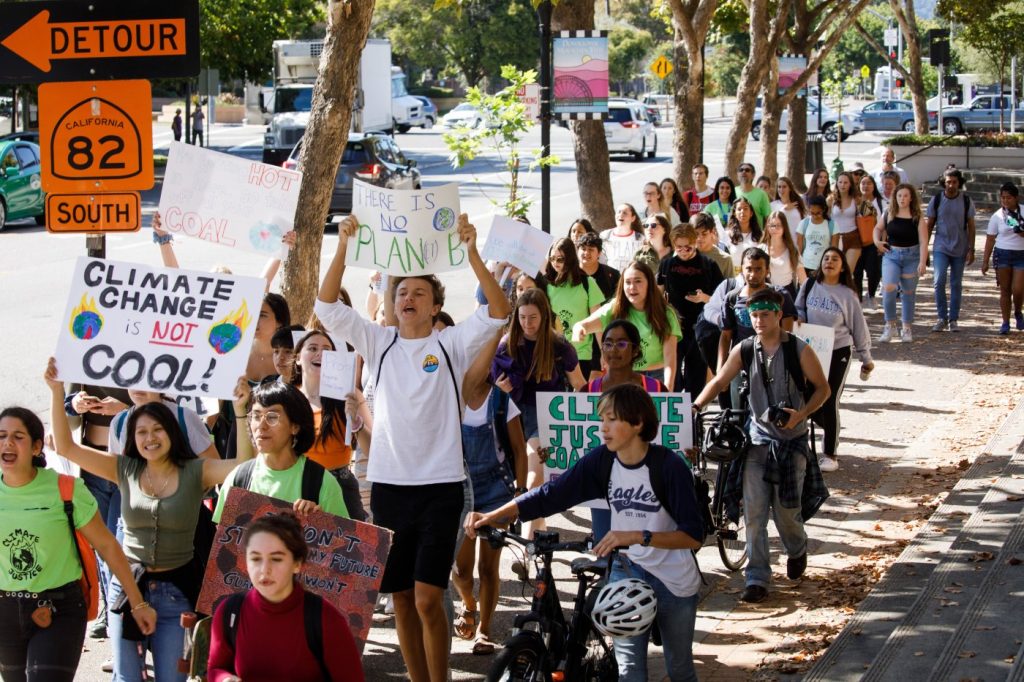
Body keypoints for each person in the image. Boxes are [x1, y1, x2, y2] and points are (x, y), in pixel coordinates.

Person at [313, 213, 509, 682]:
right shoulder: (377, 342)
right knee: (400, 596)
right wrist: (342, 245)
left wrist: (473, 252)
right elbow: (326, 306)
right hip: (389, 489)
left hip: (442, 488)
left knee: (427, 597)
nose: (408, 297)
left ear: (435, 305)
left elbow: (499, 311)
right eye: (401, 291)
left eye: (419, 292)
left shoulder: (451, 344)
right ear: (390, 302)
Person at [466, 383, 705, 682]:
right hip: (627, 574)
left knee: (679, 669)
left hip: (674, 582)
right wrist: (494, 515)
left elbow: (694, 536)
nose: (603, 427)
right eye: (601, 419)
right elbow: (550, 494)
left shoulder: (669, 466)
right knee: (630, 671)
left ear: (638, 423)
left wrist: (637, 536)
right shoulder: (603, 459)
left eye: (612, 419)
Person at [45, 361, 250, 682]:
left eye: (157, 430)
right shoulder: (123, 470)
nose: (149, 438)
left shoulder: (195, 473)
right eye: (141, 431)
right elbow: (67, 446)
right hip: (128, 591)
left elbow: (241, 465)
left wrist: (240, 411)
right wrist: (57, 391)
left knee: (172, 678)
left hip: (175, 596)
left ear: (172, 433)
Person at [693, 288, 831, 603]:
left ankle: (797, 549)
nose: (758, 320)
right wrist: (695, 407)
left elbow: (823, 388)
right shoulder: (744, 349)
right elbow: (719, 381)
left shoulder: (799, 350)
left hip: (791, 444)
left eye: (764, 314)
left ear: (778, 315)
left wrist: (802, 415)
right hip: (756, 442)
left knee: (786, 513)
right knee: (754, 513)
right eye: (753, 315)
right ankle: (757, 578)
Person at [0, 407, 156, 682]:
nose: (7, 443)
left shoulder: (67, 489)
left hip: (59, 609)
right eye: (1, 436)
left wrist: (137, 602)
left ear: (37, 446)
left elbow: (108, 547)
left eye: (18, 436)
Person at [207, 513, 363, 682]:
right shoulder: (230, 611)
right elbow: (215, 668)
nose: (264, 569)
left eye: (276, 559)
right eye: (256, 558)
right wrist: (224, 679)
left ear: (297, 564)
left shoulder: (326, 619)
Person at [451, 335, 526, 656]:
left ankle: (484, 631)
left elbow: (520, 451)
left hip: (497, 490)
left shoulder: (501, 401)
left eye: (483, 360)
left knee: (488, 568)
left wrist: (521, 495)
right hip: (460, 489)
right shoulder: (450, 399)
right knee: (460, 570)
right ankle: (468, 604)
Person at [493, 288, 585, 537]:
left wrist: (578, 415)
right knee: (518, 481)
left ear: (544, 316)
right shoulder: (506, 343)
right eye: (522, 317)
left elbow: (579, 384)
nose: (527, 323)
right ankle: (537, 533)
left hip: (545, 415)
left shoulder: (559, 345)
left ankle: (529, 551)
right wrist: (498, 389)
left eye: (532, 317)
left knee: (534, 479)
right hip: (511, 416)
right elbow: (487, 385)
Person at [583, 321, 668, 543]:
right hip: (603, 488)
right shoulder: (588, 391)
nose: (613, 350)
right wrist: (552, 454)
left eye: (621, 343)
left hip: (647, 486)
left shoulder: (657, 390)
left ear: (636, 350)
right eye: (608, 343)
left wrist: (686, 450)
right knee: (606, 551)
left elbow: (672, 435)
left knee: (646, 548)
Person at [795, 248, 874, 473]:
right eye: (826, 258)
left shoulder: (847, 294)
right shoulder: (810, 285)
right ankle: (828, 429)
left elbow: (858, 327)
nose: (829, 262)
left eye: (835, 259)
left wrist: (865, 357)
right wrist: (799, 316)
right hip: (811, 349)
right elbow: (799, 307)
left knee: (829, 399)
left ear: (842, 266)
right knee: (808, 397)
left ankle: (830, 452)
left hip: (838, 350)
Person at [290, 330, 367, 521]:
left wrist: (356, 422)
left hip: (340, 488)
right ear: (298, 357)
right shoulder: (287, 399)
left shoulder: (350, 394)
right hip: (297, 487)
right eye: (313, 348)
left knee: (349, 549)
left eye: (327, 350)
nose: (320, 354)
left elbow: (371, 449)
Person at [574, 261, 682, 391]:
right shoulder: (614, 308)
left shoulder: (666, 313)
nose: (632, 287)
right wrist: (579, 330)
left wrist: (668, 388)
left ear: (649, 284)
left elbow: (670, 357)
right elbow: (583, 325)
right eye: (628, 282)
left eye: (638, 281)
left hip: (656, 376)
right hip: (623, 375)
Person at [658, 223, 724, 396]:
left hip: (700, 324)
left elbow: (721, 299)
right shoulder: (666, 265)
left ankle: (694, 412)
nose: (683, 251)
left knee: (696, 374)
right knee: (673, 373)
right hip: (674, 325)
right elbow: (658, 294)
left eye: (687, 247)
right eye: (679, 247)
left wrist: (704, 298)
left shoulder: (708, 264)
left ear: (695, 243)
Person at [876, 183, 929, 343]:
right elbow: (877, 228)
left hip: (911, 256)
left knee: (908, 292)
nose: (902, 199)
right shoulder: (889, 213)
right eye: (899, 196)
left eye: (905, 196)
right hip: (892, 254)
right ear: (895, 197)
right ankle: (890, 324)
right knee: (889, 287)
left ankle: (906, 328)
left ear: (911, 197)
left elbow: (924, 241)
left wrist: (922, 261)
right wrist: (876, 241)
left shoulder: (917, 217)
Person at [544, 238, 604, 377]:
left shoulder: (587, 283)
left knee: (578, 396)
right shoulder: (546, 284)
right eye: (552, 258)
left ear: (570, 258)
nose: (555, 263)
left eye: (560, 259)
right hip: (553, 353)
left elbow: (599, 321)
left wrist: (603, 352)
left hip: (581, 353)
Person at [927, 167, 976, 332]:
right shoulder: (937, 200)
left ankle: (953, 319)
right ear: (944, 182)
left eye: (954, 182)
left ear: (959, 183)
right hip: (941, 246)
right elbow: (929, 224)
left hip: (960, 248)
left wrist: (972, 249)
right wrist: (924, 249)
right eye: (948, 182)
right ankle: (942, 317)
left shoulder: (966, 201)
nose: (951, 185)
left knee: (956, 283)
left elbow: (971, 225)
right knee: (938, 281)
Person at [981, 182, 1024, 334]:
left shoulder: (1023, 211)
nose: (1005, 201)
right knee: (1005, 290)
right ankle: (1005, 322)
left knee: (1018, 289)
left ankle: (1018, 312)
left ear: (1016, 198)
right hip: (1003, 254)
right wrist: (985, 261)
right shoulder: (997, 216)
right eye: (1003, 198)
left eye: (1009, 198)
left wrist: (1021, 231)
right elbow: (990, 238)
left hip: (1021, 254)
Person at [855, 174, 885, 310]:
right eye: (863, 183)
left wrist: (882, 242)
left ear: (874, 186)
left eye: (869, 183)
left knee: (874, 271)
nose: (865, 186)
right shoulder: (855, 202)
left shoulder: (880, 203)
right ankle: (858, 298)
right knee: (857, 272)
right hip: (857, 241)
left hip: (874, 242)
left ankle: (871, 295)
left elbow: (885, 224)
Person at [760, 211, 805, 294]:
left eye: (779, 225)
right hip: (766, 293)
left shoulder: (792, 250)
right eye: (772, 225)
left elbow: (803, 279)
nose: (775, 228)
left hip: (787, 294)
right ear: (767, 227)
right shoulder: (761, 249)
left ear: (784, 227)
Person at [828, 171, 862, 272]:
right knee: (835, 271)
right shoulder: (830, 200)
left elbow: (864, 217)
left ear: (850, 184)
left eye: (846, 182)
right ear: (836, 183)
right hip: (835, 237)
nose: (842, 185)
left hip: (853, 237)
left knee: (848, 272)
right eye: (840, 182)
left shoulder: (856, 199)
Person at [796, 196, 839, 278]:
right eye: (812, 213)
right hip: (806, 264)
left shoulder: (832, 224)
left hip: (824, 265)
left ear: (823, 210)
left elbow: (834, 248)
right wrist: (798, 265)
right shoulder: (803, 223)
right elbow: (799, 247)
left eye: (818, 213)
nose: (815, 216)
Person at [601, 204, 646, 272]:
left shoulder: (640, 238)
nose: (621, 215)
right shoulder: (605, 235)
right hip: (610, 278)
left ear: (633, 218)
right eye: (619, 212)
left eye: (625, 213)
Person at [692, 212, 734, 279]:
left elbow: (730, 287)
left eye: (704, 234)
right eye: (696, 234)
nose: (699, 238)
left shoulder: (725, 259)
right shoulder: (684, 254)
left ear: (712, 232)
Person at [725, 197, 763, 268]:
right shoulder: (727, 235)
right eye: (739, 209)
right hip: (733, 276)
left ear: (751, 213)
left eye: (745, 209)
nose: (742, 211)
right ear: (734, 213)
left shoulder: (760, 234)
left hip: (754, 275)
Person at [770, 176, 806, 244]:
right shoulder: (772, 205)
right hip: (780, 243)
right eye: (779, 187)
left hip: (796, 242)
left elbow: (804, 223)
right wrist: (784, 209)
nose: (781, 189)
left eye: (784, 187)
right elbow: (772, 223)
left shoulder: (797, 204)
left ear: (790, 188)